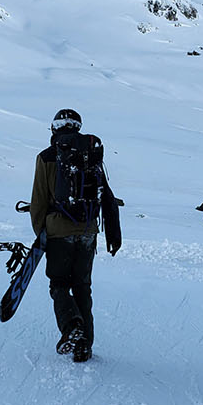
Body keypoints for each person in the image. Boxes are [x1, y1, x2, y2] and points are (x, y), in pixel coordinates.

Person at [30, 108, 120, 363]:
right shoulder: (90, 154)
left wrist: (42, 234)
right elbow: (106, 195)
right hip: (89, 231)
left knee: (58, 283)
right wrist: (113, 233)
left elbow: (38, 200)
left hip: (58, 232)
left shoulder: (46, 157)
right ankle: (84, 347)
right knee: (82, 286)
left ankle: (71, 327)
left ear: (54, 128)